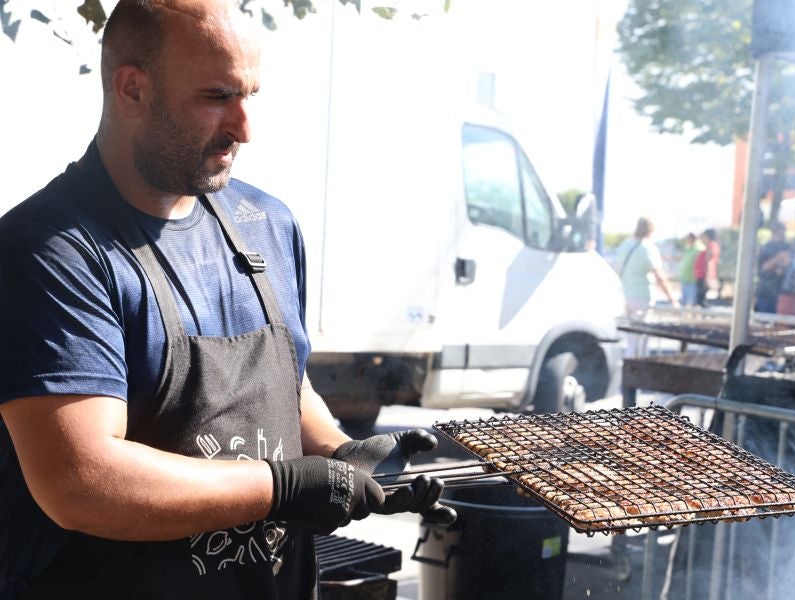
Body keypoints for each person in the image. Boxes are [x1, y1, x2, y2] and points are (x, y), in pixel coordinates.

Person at [0, 1, 454, 597]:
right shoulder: (52, 249)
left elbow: (283, 385)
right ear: (132, 87)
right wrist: (285, 488)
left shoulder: (265, 222)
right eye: (217, 96)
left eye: (250, 96)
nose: (244, 127)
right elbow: (82, 480)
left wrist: (342, 452)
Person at [615, 216, 679, 356]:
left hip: (626, 296)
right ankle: (641, 367)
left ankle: (628, 367)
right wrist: (672, 298)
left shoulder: (625, 245)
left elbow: (617, 271)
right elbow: (659, 277)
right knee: (643, 337)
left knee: (632, 338)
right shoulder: (648, 248)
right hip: (642, 297)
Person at [754, 222, 791, 314]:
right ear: (776, 231)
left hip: (781, 292)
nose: (784, 234)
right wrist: (778, 259)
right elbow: (762, 269)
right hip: (766, 292)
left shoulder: (787, 247)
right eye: (783, 231)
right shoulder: (765, 248)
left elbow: (788, 267)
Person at [694, 228, 720, 307]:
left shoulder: (711, 245)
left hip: (704, 275)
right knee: (700, 299)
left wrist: (707, 277)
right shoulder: (708, 246)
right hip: (702, 275)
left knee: (701, 299)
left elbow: (709, 262)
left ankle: (708, 314)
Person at [677, 232, 702, 307]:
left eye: (688, 238)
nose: (687, 240)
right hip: (684, 279)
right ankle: (684, 318)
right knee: (683, 302)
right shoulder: (687, 249)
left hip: (692, 280)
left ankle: (692, 318)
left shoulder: (699, 249)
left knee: (692, 302)